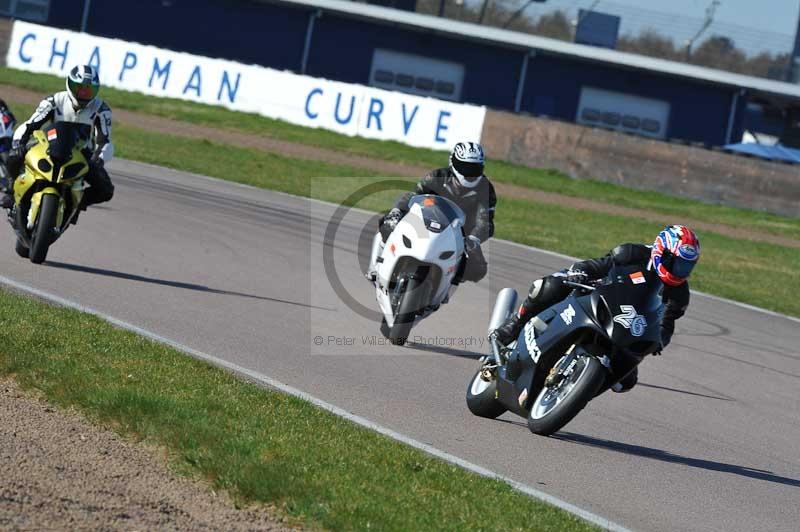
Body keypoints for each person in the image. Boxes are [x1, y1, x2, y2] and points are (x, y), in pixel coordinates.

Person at [492, 225, 701, 392]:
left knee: (625, 382)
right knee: (548, 287)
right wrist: (580, 272)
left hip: (624, 327)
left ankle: (574, 389)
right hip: (594, 294)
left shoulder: (680, 294)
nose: (679, 270)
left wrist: (659, 340)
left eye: (686, 265)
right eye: (674, 262)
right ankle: (515, 324)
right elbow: (600, 264)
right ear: (661, 251)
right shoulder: (633, 253)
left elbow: (667, 322)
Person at [367, 141, 497, 283]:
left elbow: (485, 222)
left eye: (474, 168)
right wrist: (397, 211)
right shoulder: (437, 176)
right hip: (426, 223)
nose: (469, 173)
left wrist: (474, 239)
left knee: (477, 270)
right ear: (453, 163)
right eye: (465, 167)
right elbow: (413, 195)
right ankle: (376, 267)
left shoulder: (486, 188)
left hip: (460, 235)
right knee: (388, 223)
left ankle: (447, 285)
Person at [0, 65, 114, 210]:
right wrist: (18, 144)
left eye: (88, 90)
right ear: (70, 84)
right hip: (49, 146)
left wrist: (98, 159)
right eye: (79, 88)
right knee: (14, 158)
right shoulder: (54, 101)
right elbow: (31, 124)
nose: (83, 93)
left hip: (82, 154)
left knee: (106, 190)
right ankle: (11, 192)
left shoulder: (101, 109)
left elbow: (105, 141)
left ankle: (74, 205)